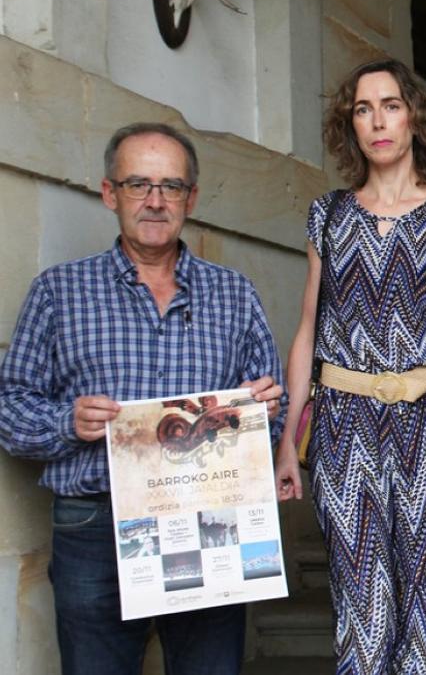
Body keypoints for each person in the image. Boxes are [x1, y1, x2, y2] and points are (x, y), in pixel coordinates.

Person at [0, 122, 286, 674]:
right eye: (138, 184)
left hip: (210, 519)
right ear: (110, 193)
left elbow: (273, 408)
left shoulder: (234, 293)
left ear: (191, 199)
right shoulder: (59, 292)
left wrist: (259, 413)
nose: (155, 201)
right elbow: (10, 406)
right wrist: (67, 421)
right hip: (94, 526)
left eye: (171, 186)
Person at [272, 58, 426, 674]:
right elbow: (308, 329)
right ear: (351, 126)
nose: (377, 121)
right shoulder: (329, 215)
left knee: (423, 626)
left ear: (415, 116)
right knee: (364, 623)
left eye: (390, 105)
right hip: (343, 432)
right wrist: (290, 440)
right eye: (362, 110)